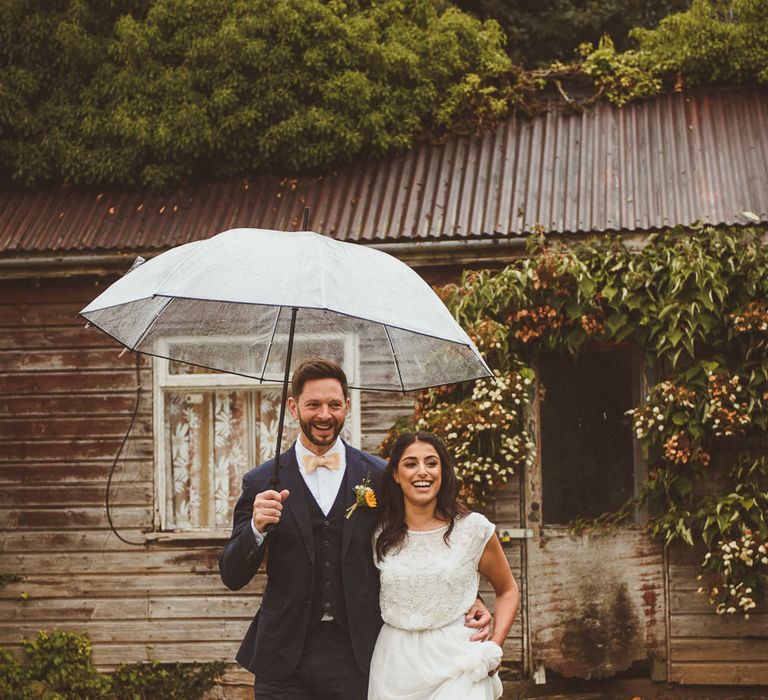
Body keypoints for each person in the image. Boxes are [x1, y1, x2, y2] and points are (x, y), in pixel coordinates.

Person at [219, 358, 491, 700]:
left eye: (334, 404)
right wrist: (256, 529)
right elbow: (231, 574)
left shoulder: (379, 475)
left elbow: (422, 537)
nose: (324, 414)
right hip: (282, 654)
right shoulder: (261, 481)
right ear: (293, 407)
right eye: (313, 404)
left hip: (357, 651)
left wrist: (470, 595)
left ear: (347, 406)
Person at [368, 430, 520, 700]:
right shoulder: (380, 532)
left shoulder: (473, 529)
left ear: (443, 470)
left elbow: (507, 589)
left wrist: (495, 644)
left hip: (458, 662)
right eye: (410, 463)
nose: (422, 471)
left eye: (431, 462)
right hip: (395, 663)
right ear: (395, 474)